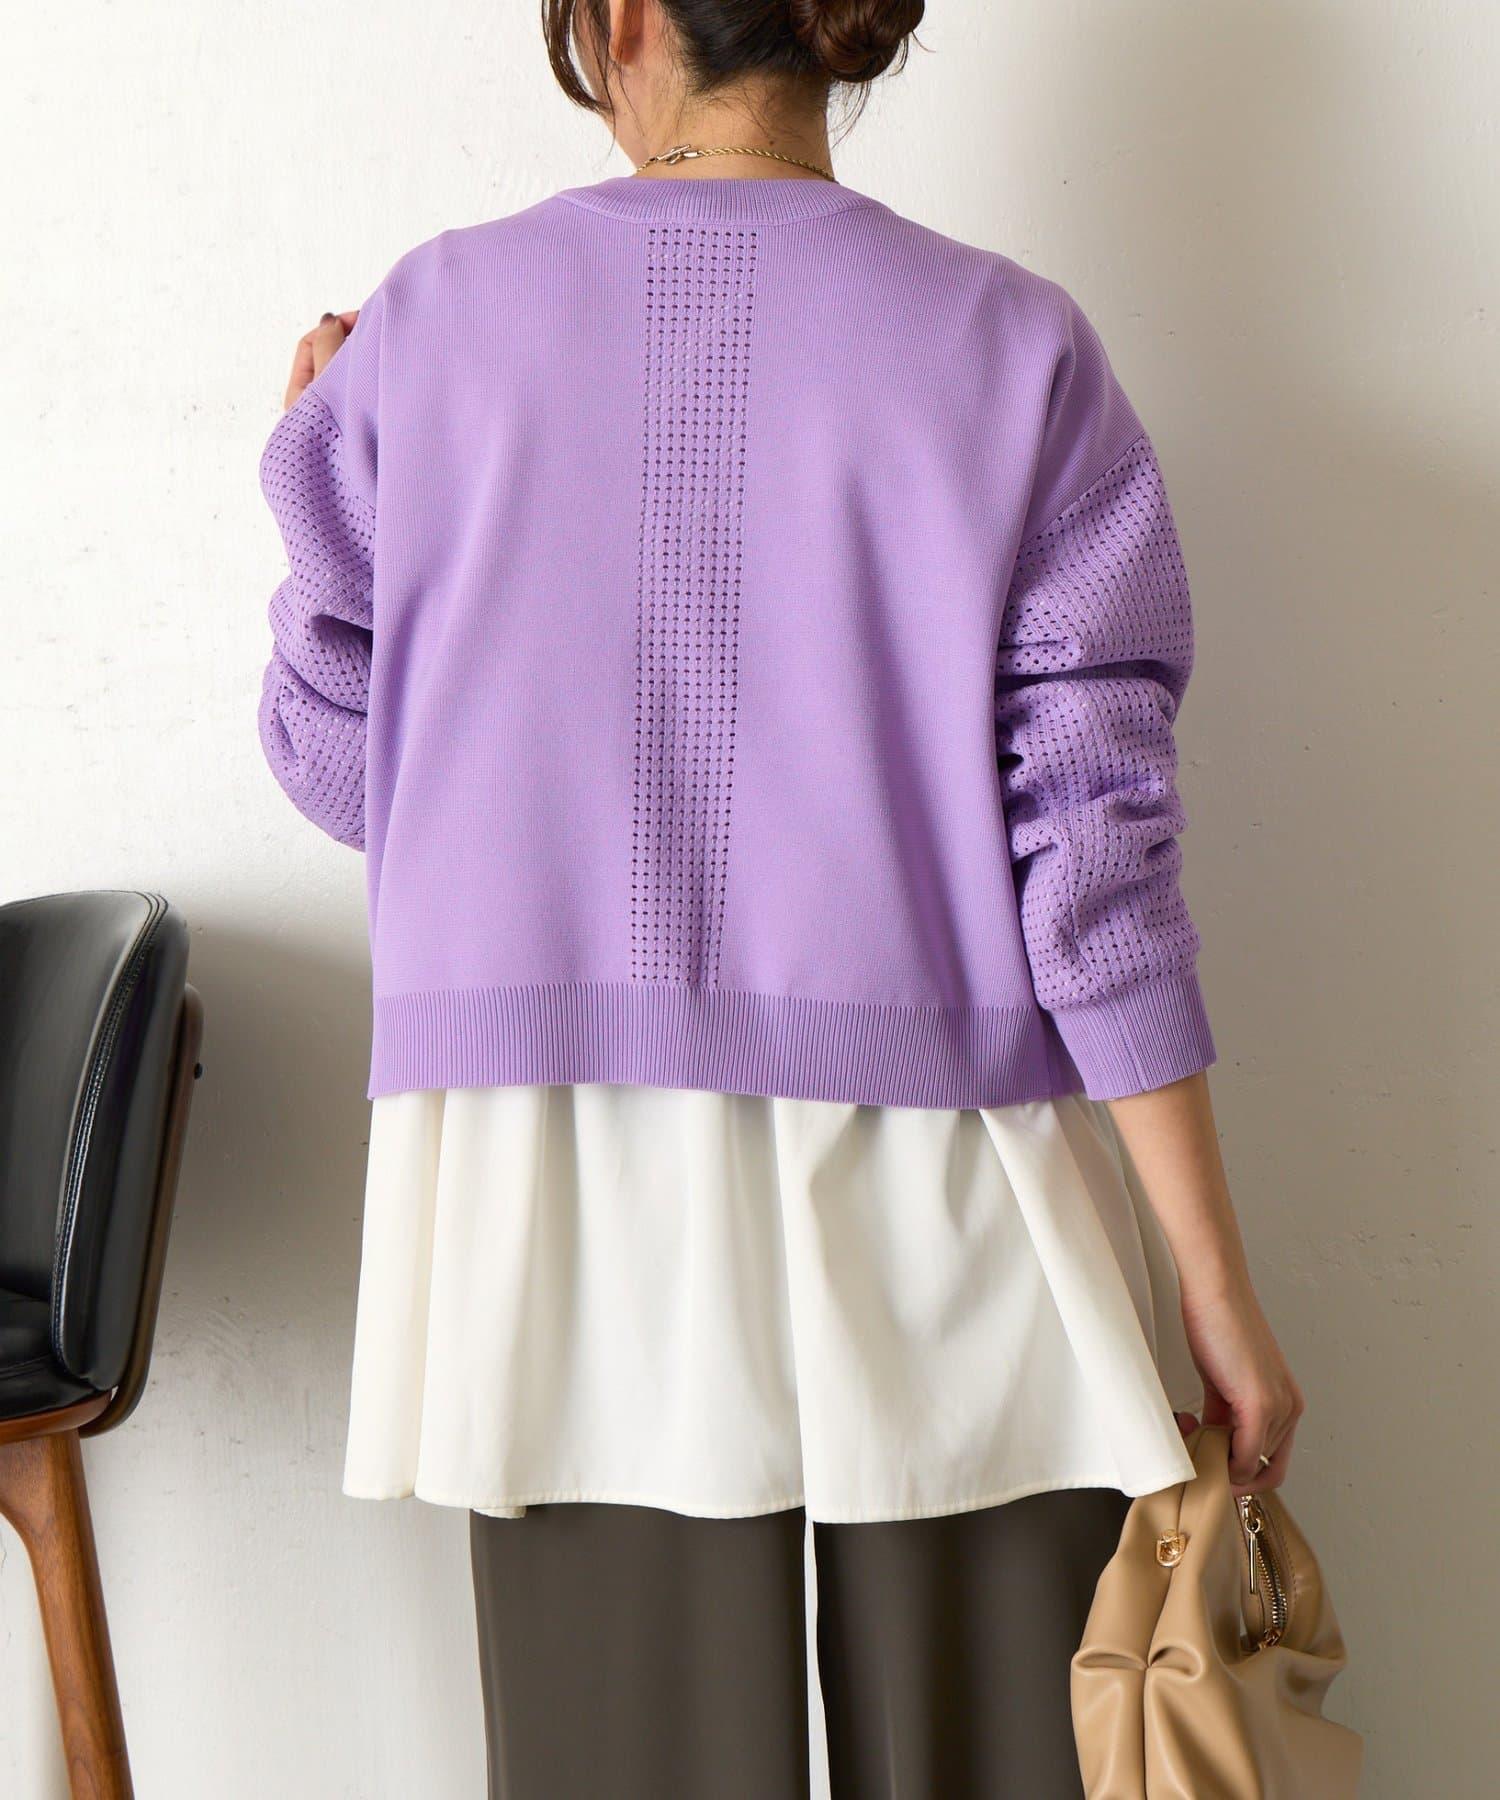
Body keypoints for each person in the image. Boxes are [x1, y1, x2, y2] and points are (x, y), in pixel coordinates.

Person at [258, 2, 1304, 1793]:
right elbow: (1097, 866)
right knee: (1007, 1753)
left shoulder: (421, 330)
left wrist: (308, 475)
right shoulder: (1014, 347)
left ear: (624, 20)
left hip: (553, 1190)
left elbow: (360, 778)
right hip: (945, 1172)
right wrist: (1215, 1284)